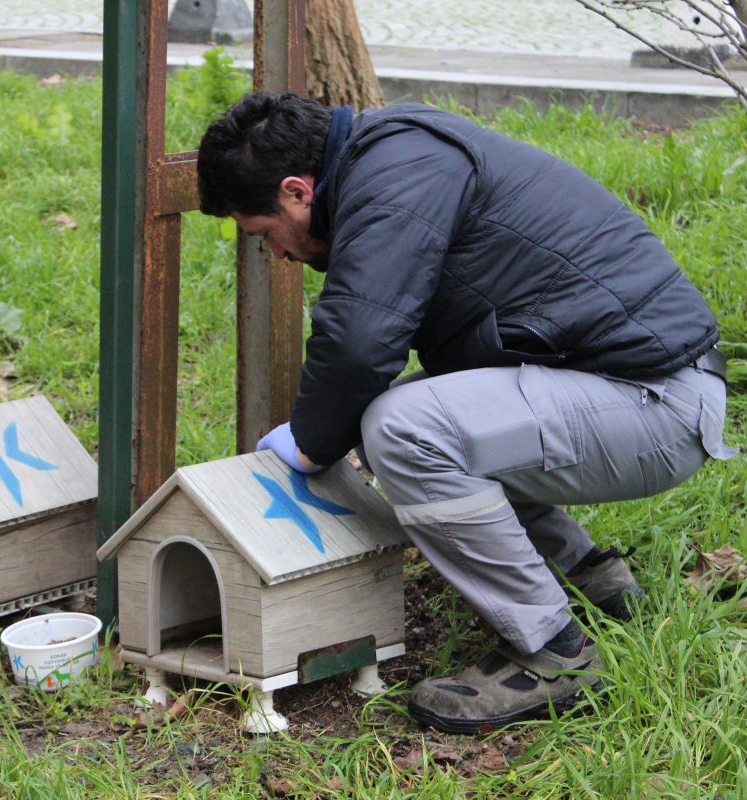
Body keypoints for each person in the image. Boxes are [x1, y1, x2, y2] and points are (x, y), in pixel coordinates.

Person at [196, 91, 737, 734]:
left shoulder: (397, 174)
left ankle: (552, 652)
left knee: (404, 430)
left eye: (264, 236)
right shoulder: (396, 156)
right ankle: (590, 577)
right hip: (635, 387)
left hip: (659, 406)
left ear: (295, 192)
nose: (279, 255)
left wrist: (310, 442)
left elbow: (360, 339)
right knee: (403, 422)